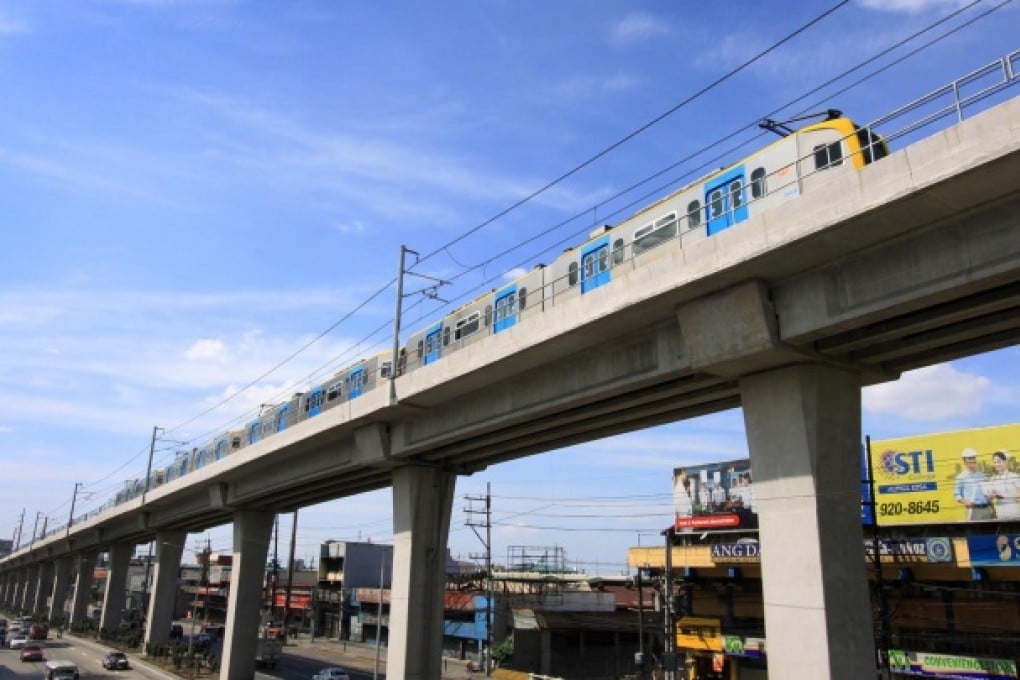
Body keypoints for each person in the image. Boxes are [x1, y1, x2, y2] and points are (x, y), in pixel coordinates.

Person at [955, 448, 993, 520]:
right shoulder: (961, 477)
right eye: (969, 458)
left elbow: (988, 494)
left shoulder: (982, 476)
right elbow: (957, 495)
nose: (972, 460)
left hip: (986, 509)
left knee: (989, 531)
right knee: (974, 530)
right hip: (972, 510)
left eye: (973, 458)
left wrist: (991, 502)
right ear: (964, 461)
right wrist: (965, 502)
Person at [987, 450, 1020, 519]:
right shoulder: (993, 479)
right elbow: (990, 497)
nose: (996, 464)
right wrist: (990, 496)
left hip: (1014, 513)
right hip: (1001, 514)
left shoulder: (1014, 476)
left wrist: (1005, 496)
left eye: (999, 462)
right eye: (995, 462)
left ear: (1005, 462)